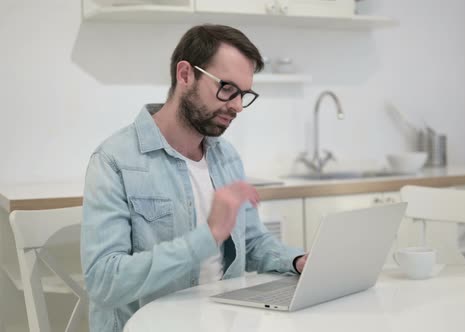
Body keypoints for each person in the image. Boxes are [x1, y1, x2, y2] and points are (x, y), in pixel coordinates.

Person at [81, 24, 308, 332]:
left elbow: (251, 243)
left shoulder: (226, 157)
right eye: (227, 89)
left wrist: (296, 260)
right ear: (185, 74)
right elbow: (104, 282)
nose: (238, 106)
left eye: (244, 94)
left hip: (224, 321)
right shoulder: (114, 160)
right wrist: (208, 236)